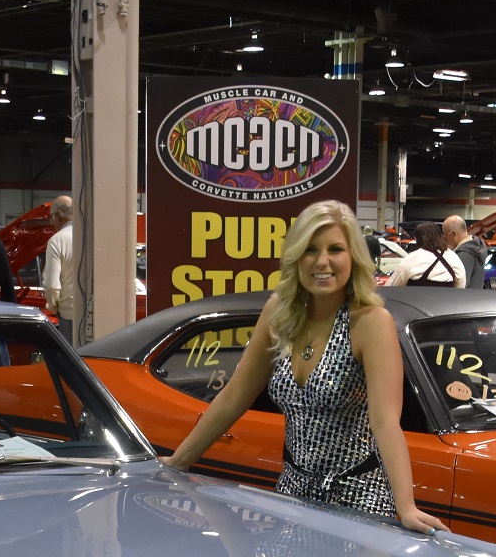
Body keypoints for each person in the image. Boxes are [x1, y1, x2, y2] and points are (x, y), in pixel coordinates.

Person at [165, 200, 443, 534]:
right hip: (291, 495)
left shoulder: (369, 322)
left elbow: (385, 421)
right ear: (296, 257)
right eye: (310, 250)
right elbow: (236, 395)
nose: (322, 261)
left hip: (358, 500)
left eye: (335, 249)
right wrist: (178, 462)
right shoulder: (279, 314)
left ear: (353, 257)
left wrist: (406, 507)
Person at [42, 195, 80, 336]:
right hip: (95, 312)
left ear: (57, 215)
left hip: (68, 313)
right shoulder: (89, 236)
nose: (52, 221)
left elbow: (52, 285)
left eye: (51, 216)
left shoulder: (56, 241)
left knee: (72, 356)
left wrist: (53, 307)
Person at [384, 222, 463, 287]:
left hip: (415, 304)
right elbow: (461, 285)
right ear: (440, 236)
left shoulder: (412, 258)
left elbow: (392, 286)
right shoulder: (453, 257)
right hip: (447, 304)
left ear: (418, 239)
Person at [447, 215, 487, 289]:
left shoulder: (464, 254)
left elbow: (461, 286)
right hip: (475, 298)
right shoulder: (477, 247)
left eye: (445, 234)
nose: (444, 237)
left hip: (464, 299)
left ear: (454, 234)